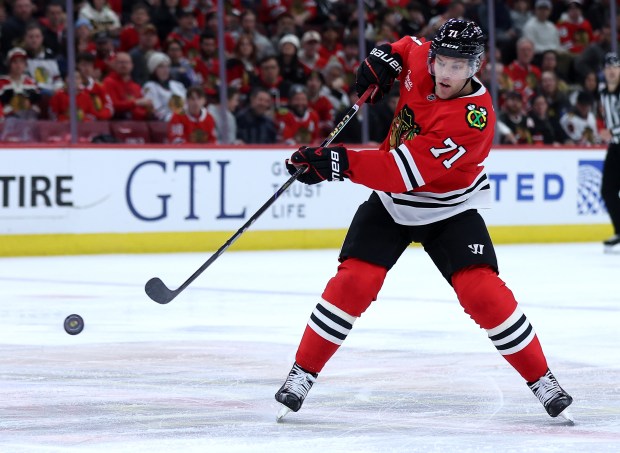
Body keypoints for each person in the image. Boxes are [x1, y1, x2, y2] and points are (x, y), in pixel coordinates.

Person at [274, 18, 574, 423]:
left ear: (475, 67)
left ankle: (543, 380)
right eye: (442, 62)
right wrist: (382, 57)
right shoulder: (423, 60)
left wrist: (336, 162)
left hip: (449, 209)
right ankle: (301, 374)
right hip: (392, 205)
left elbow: (401, 171)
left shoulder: (473, 121)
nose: (446, 73)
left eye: (458, 66)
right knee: (353, 282)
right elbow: (407, 44)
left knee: (482, 292)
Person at [598, 52, 620, 252]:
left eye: (615, 67)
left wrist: (611, 131)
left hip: (615, 140)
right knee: (607, 190)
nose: (612, 71)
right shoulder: (603, 91)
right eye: (609, 68)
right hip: (615, 147)